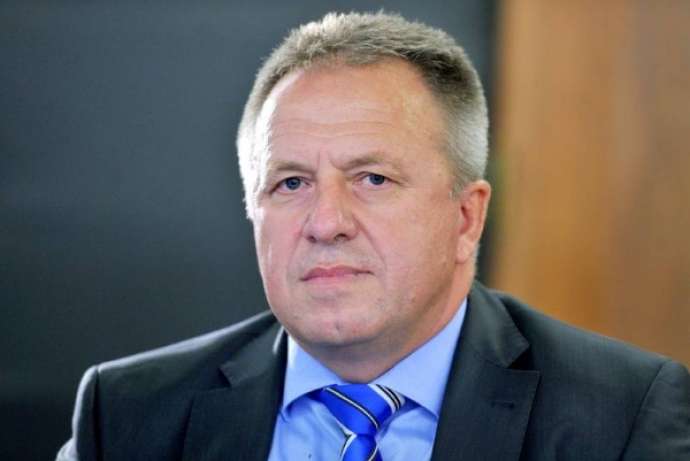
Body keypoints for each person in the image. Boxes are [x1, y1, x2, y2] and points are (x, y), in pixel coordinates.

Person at [57, 11, 689, 461]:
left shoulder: (623, 418)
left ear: (466, 217)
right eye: (291, 183)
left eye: (373, 178)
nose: (325, 223)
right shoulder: (128, 415)